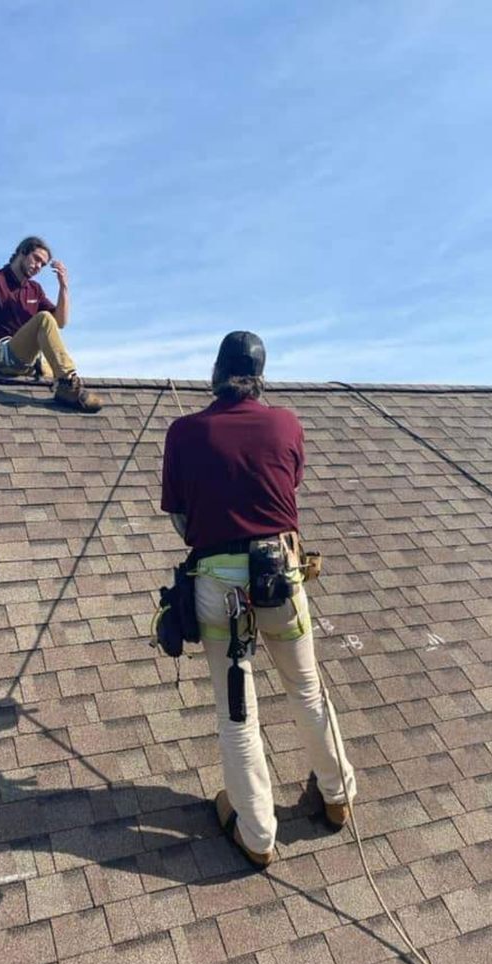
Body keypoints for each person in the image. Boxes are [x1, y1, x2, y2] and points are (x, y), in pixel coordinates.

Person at [161, 331, 356, 868]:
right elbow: (287, 485)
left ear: (216, 374)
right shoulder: (286, 424)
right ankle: (337, 796)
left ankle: (257, 833)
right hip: (281, 576)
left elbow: (182, 521)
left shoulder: (184, 432)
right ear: (260, 378)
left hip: (218, 585)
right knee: (307, 689)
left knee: (238, 709)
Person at [0, 235, 102, 413]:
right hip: (1, 355)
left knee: (49, 331)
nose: (39, 266)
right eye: (36, 259)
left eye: (43, 264)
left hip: (30, 362)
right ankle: (67, 384)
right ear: (22, 252)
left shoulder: (35, 289)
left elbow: (60, 322)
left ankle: (65, 383)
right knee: (44, 318)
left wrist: (63, 287)